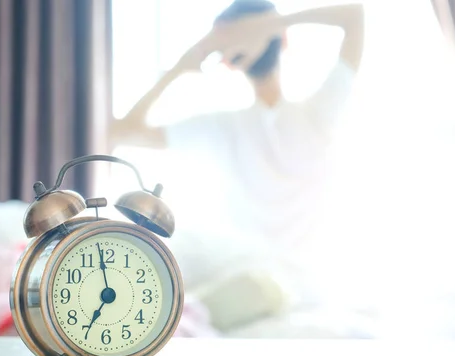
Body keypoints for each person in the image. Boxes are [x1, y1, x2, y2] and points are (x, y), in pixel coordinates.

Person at [110, 1, 365, 291]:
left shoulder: (319, 112)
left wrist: (267, 25)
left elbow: (355, 15)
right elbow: (122, 132)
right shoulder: (223, 128)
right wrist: (186, 62)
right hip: (243, 282)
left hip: (307, 285)